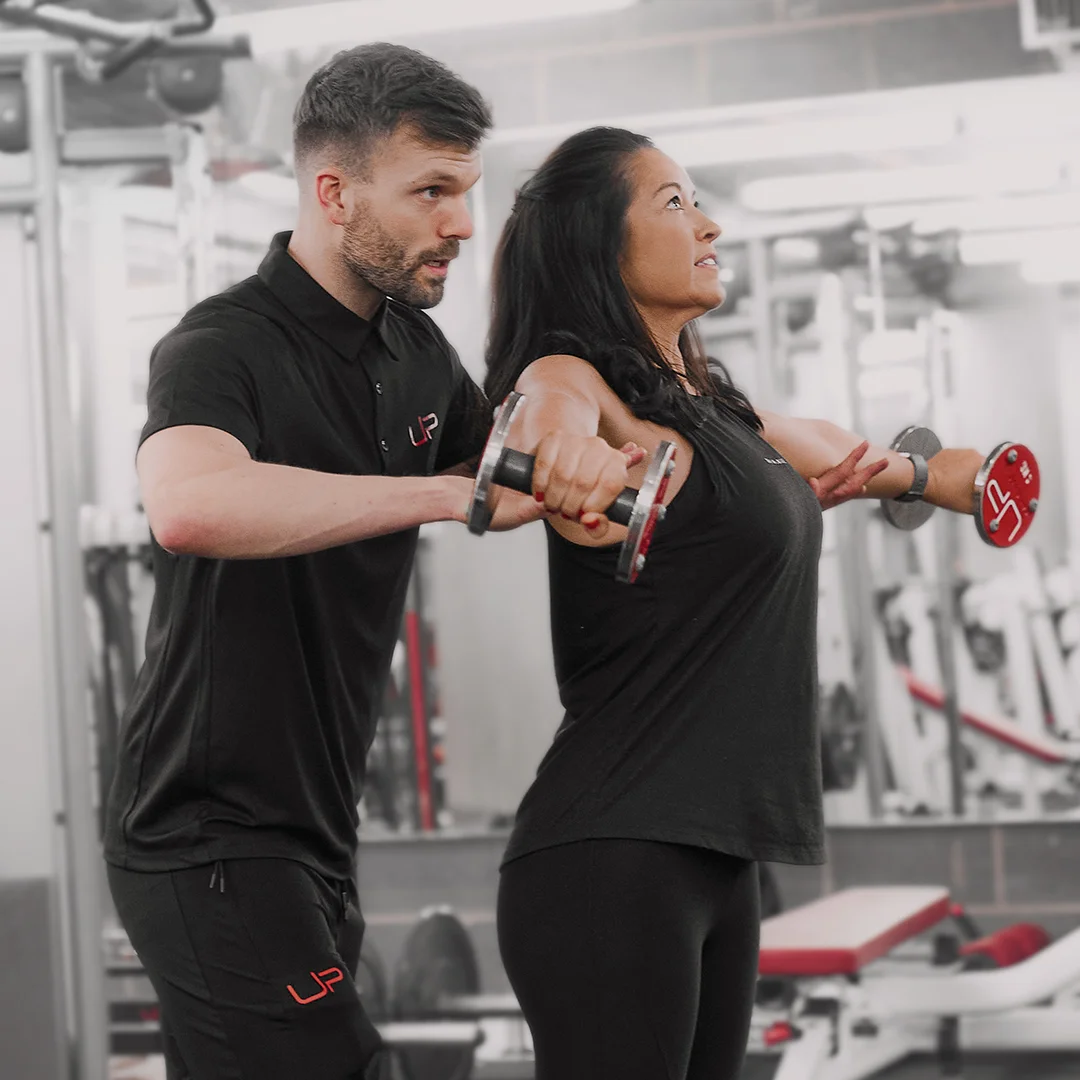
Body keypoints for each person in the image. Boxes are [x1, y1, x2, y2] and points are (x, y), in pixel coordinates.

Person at [102, 43, 585, 1080]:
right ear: (335, 192)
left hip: (318, 828)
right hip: (207, 831)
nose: (460, 221)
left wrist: (652, 462)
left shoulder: (414, 353)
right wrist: (439, 496)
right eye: (431, 191)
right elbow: (189, 505)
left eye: (466, 191)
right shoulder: (220, 346)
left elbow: (504, 471)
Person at [483, 126, 988, 1080]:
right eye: (674, 203)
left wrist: (931, 474)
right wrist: (561, 448)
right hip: (613, 854)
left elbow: (833, 446)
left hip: (716, 862)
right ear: (601, 245)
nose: (709, 223)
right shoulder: (580, 384)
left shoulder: (715, 412)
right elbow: (545, 403)